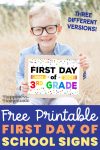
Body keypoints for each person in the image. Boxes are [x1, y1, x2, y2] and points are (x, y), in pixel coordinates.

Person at [16, 3, 89, 105]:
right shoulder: (25, 54)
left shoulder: (67, 52)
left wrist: (84, 70)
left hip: (59, 97)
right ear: (32, 32)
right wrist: (21, 85)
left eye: (50, 28)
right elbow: (20, 74)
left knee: (70, 103)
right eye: (38, 29)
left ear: (58, 29)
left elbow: (79, 78)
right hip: (34, 97)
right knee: (22, 105)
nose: (44, 34)